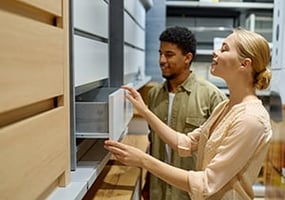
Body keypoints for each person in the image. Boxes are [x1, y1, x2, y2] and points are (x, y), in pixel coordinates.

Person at [104, 27, 273, 200]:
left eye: (224, 49)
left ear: (244, 64)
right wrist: (144, 111)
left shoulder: (251, 119)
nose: (215, 52)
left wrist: (143, 160)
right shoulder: (225, 107)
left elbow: (206, 183)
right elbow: (185, 143)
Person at [142, 26, 226, 200]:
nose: (161, 60)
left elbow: (220, 157)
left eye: (169, 54)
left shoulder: (212, 96)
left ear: (187, 57)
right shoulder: (154, 95)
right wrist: (148, 184)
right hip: (158, 192)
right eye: (160, 53)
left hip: (190, 195)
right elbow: (154, 144)